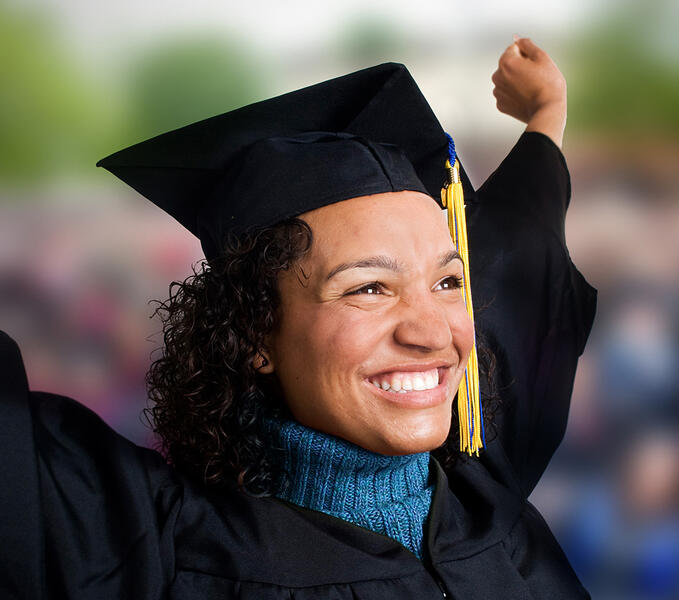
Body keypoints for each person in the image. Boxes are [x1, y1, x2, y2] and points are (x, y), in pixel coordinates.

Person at [0, 37, 596, 598]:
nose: (434, 331)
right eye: (368, 288)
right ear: (256, 329)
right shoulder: (154, 551)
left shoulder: (484, 485)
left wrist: (546, 112)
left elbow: (520, 249)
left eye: (447, 281)